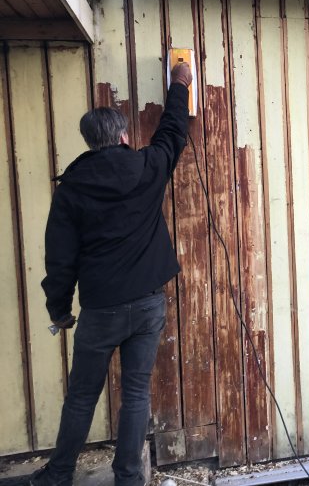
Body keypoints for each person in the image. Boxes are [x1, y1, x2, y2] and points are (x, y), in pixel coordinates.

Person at [31, 63, 193, 486]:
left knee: (83, 395)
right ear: (123, 136)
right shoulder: (147, 166)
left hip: (100, 310)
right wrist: (180, 83)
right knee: (136, 393)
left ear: (89, 140)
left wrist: (59, 311)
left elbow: (60, 260)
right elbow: (174, 130)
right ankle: (128, 479)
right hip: (148, 304)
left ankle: (59, 474)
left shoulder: (70, 190)